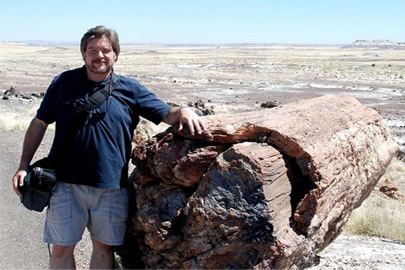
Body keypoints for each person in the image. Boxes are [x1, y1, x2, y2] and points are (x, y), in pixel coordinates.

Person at [12, 25, 206, 269]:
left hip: (111, 187)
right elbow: (39, 122)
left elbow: (167, 113)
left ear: (116, 54)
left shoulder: (130, 89)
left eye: (105, 50)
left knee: (104, 248)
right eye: (92, 50)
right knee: (61, 248)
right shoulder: (64, 83)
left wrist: (185, 110)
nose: (99, 55)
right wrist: (22, 166)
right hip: (66, 185)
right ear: (84, 54)